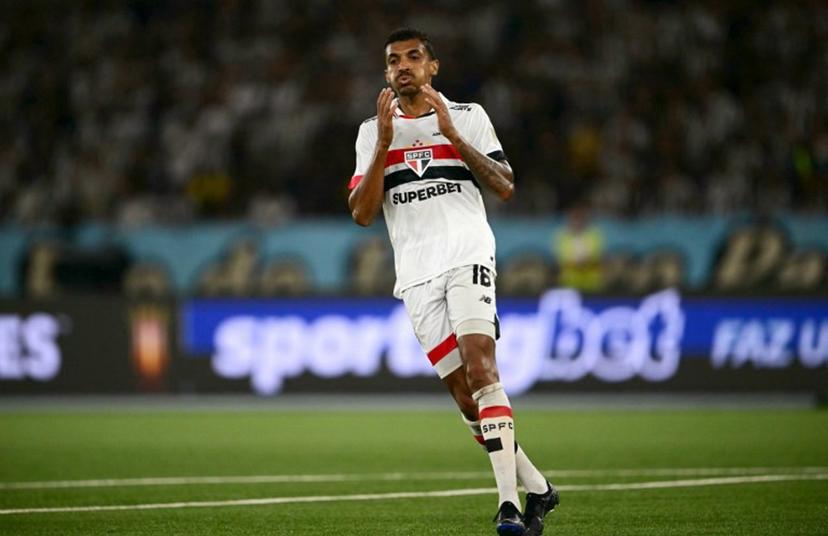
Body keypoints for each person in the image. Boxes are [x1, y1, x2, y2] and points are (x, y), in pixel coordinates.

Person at [347, 28, 559, 535]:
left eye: (413, 57)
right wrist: (380, 146)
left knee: (482, 367)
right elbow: (362, 213)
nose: (403, 66)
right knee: (467, 399)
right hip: (416, 272)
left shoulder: (468, 116)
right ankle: (541, 490)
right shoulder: (369, 131)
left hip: (468, 254)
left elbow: (506, 186)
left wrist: (453, 136)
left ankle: (508, 505)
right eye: (393, 60)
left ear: (433, 66)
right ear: (385, 73)